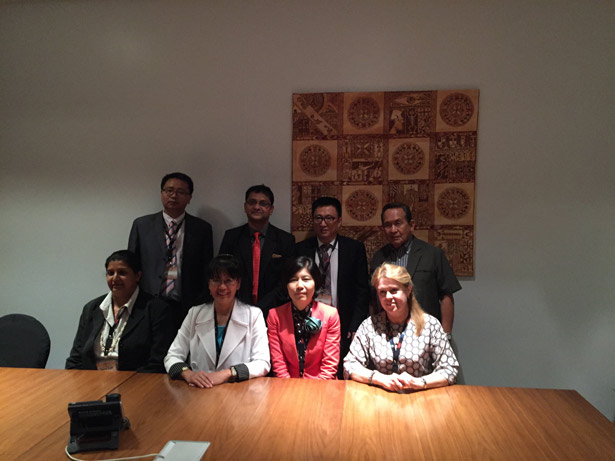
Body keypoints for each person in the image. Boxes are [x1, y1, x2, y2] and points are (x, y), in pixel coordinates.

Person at [344, 263, 458, 391]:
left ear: (408, 290)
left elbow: (449, 369)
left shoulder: (430, 325)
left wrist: (420, 382)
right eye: (382, 292)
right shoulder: (369, 326)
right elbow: (350, 365)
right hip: (380, 395)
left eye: (394, 290)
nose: (388, 297)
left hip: (420, 395)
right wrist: (378, 378)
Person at [164, 254, 270, 388]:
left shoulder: (253, 315)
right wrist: (188, 374)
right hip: (199, 391)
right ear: (208, 284)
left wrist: (228, 373)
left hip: (238, 391)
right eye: (216, 280)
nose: (222, 287)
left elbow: (263, 363)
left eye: (228, 281)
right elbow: (172, 356)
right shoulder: (195, 313)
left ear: (238, 284)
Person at [294, 196, 369, 378]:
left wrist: (355, 325)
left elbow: (362, 290)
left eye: (329, 218)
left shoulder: (354, 249)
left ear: (339, 221)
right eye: (318, 218)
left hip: (343, 324)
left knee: (337, 373)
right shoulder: (300, 249)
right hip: (307, 322)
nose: (323, 223)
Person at [128, 172, 213, 331]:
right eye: (169, 190)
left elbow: (206, 268)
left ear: (189, 197)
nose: (174, 196)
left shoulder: (202, 229)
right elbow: (131, 265)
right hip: (148, 303)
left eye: (181, 192)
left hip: (186, 305)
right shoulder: (142, 225)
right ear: (161, 193)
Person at [66, 250, 174, 372]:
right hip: (92, 380)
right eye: (110, 273)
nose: (115, 278)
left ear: (137, 276)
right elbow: (75, 360)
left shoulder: (156, 309)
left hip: (135, 381)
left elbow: (157, 363)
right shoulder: (92, 308)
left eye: (122, 273)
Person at [370, 202, 461, 337]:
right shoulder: (379, 257)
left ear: (411, 225)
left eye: (398, 223)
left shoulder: (432, 254)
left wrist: (445, 335)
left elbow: (446, 296)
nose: (393, 230)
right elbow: (373, 298)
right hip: (389, 334)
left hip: (425, 332)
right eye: (388, 225)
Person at [219, 184, 295, 315]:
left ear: (271, 209)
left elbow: (286, 281)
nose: (257, 207)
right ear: (245, 206)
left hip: (273, 311)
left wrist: (260, 308)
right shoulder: (231, 237)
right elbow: (223, 274)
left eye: (263, 203)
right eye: (252, 202)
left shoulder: (286, 240)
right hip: (236, 309)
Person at [267, 256, 341, 379]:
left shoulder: (330, 315)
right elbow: (279, 366)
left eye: (306, 279)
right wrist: (289, 387)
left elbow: (329, 367)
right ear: (286, 285)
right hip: (286, 385)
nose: (299, 285)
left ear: (315, 283)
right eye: (293, 280)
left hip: (322, 385)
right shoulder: (275, 316)